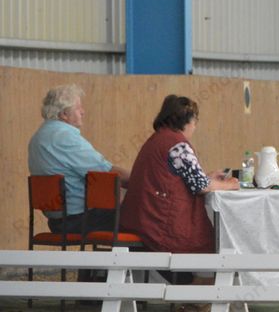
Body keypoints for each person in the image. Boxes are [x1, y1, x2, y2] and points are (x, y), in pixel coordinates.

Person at [121, 95, 239, 256]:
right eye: (195, 122)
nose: (195, 127)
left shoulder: (156, 139)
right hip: (160, 227)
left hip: (138, 220)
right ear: (187, 121)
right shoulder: (178, 145)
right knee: (211, 248)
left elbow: (177, 179)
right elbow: (201, 185)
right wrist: (230, 184)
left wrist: (207, 177)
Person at [28, 84, 131, 234]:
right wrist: (141, 181)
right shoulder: (65, 136)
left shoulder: (38, 137)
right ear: (64, 114)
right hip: (78, 220)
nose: (83, 112)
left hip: (57, 221)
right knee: (143, 211)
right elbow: (106, 173)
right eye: (78, 108)